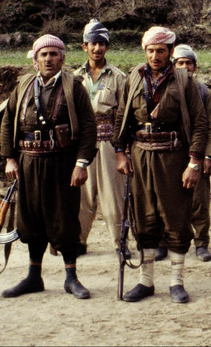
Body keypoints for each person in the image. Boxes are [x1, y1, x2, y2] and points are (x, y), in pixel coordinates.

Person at [112, 26, 208, 304]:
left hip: (173, 155)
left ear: (170, 51)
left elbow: (200, 124)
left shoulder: (184, 80)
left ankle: (176, 282)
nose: (155, 55)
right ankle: (146, 281)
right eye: (151, 50)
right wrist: (120, 152)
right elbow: (122, 117)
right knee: (144, 215)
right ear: (145, 51)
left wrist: (194, 163)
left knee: (176, 216)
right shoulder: (133, 77)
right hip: (141, 155)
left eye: (161, 50)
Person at [0, 34, 97, 299]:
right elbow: (8, 122)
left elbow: (89, 128)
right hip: (28, 162)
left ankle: (71, 277)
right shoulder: (22, 86)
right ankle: (33, 277)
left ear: (62, 58)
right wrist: (9, 157)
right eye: (43, 55)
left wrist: (81, 163)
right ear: (35, 60)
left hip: (62, 163)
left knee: (64, 219)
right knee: (30, 219)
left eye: (54, 54)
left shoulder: (74, 87)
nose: (49, 59)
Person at [154, 44, 211, 263]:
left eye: (188, 63)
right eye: (179, 62)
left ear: (194, 66)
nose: (184, 66)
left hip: (197, 154)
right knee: (167, 200)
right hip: (172, 152)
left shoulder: (204, 92)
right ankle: (164, 241)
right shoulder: (165, 88)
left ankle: (201, 242)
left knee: (199, 201)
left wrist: (209, 156)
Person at [73, 19, 128, 260]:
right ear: (84, 46)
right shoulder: (74, 78)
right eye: (93, 43)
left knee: (112, 196)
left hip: (108, 143)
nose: (97, 48)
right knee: (82, 194)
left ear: (107, 47)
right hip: (82, 144)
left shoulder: (118, 77)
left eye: (102, 44)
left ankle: (120, 243)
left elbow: (124, 115)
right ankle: (78, 240)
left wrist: (121, 148)